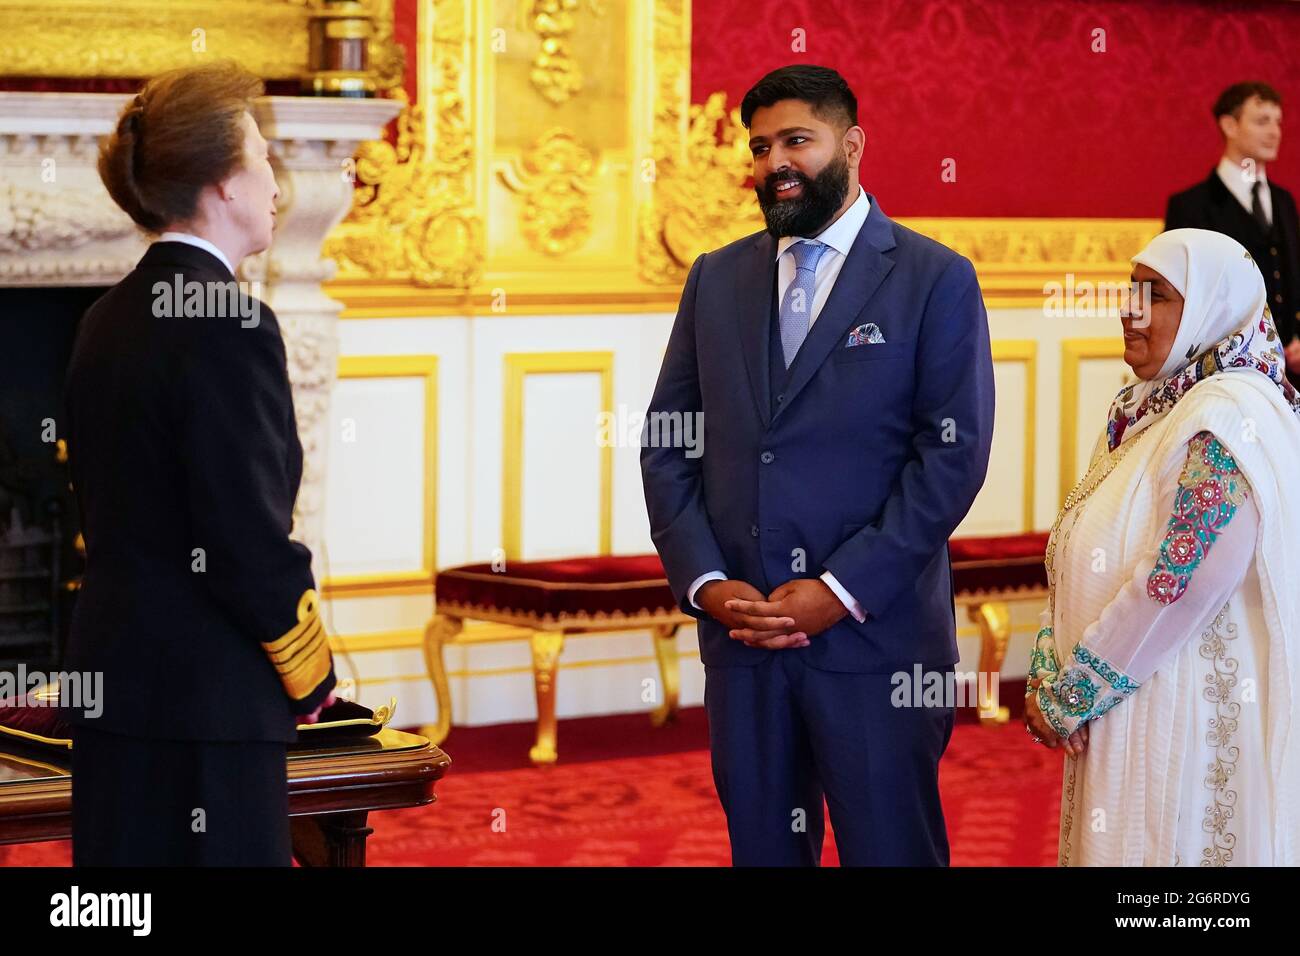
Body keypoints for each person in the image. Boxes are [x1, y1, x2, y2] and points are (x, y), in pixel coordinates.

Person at [640, 64, 994, 866]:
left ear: (853, 144)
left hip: (877, 645)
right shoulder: (716, 276)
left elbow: (952, 457)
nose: (775, 164)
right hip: (745, 641)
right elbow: (670, 440)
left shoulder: (934, 278)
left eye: (797, 140)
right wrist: (708, 585)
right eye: (761, 147)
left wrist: (839, 592)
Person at [60, 61, 336, 866]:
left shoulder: (103, 318)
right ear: (222, 183)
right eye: (261, 156)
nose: (276, 182)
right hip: (208, 702)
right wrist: (313, 674)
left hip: (115, 687)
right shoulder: (229, 320)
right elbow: (243, 535)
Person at [1024, 228, 1300, 866]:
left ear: (1212, 310)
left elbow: (1178, 583)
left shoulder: (1228, 418)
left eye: (1158, 295)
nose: (1131, 308)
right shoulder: (1148, 407)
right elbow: (1077, 540)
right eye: (1131, 288)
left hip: (1181, 717)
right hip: (1125, 702)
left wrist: (1071, 695)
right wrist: (1048, 656)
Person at [1165, 82, 1300, 380]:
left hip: (1290, 375)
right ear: (1229, 125)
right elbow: (1181, 297)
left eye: (1278, 122)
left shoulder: (1285, 201)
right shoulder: (1190, 206)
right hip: (1223, 376)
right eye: (1262, 121)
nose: (1275, 132)